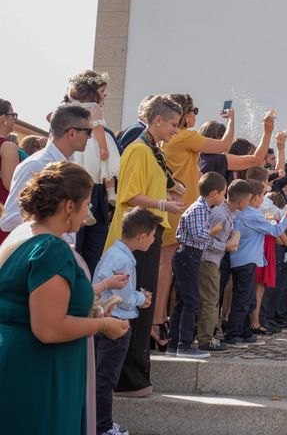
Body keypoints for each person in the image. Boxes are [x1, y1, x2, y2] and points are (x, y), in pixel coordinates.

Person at [0, 161, 129, 434]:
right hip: (41, 369)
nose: (87, 215)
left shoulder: (21, 235)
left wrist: (87, 311)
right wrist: (103, 326)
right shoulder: (52, 248)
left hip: (21, 361)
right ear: (69, 206)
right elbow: (48, 327)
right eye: (86, 206)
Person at [104, 94, 185, 397]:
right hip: (135, 239)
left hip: (148, 236)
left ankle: (136, 376)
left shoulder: (152, 151)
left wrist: (169, 198)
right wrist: (165, 202)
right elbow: (129, 195)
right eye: (173, 124)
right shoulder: (139, 150)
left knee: (143, 305)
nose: (175, 130)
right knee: (133, 305)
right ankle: (127, 379)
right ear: (158, 120)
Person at [153, 94, 236, 349]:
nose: (195, 117)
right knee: (170, 269)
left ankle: (165, 323)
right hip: (181, 208)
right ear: (185, 115)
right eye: (194, 111)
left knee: (174, 271)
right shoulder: (186, 135)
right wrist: (232, 120)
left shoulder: (171, 141)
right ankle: (159, 322)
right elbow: (224, 145)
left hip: (175, 205)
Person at [93, 208, 161, 435]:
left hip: (104, 320)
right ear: (142, 236)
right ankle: (102, 427)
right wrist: (142, 298)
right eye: (153, 236)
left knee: (101, 377)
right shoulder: (124, 260)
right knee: (106, 379)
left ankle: (98, 423)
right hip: (116, 325)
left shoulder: (114, 252)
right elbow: (124, 298)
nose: (153, 241)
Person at [226, 179, 287, 347]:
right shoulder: (251, 214)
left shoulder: (243, 213)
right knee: (243, 300)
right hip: (246, 261)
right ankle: (233, 334)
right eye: (261, 197)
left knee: (247, 299)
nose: (263, 201)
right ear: (254, 198)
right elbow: (275, 230)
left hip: (244, 260)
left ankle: (244, 332)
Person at [0, 104, 92, 233]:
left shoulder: (71, 164)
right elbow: (8, 220)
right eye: (88, 131)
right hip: (42, 250)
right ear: (72, 133)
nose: (90, 137)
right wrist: (54, 219)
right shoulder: (36, 165)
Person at [166, 172, 228, 358]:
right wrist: (214, 233)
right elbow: (198, 235)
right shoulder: (199, 209)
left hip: (191, 255)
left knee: (185, 300)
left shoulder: (205, 209)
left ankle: (174, 343)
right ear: (215, 193)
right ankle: (183, 345)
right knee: (191, 300)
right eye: (223, 193)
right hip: (188, 255)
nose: (224, 198)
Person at [196, 179, 252, 352]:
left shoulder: (230, 212)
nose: (249, 204)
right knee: (210, 300)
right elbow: (205, 239)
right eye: (249, 201)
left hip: (215, 260)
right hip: (208, 260)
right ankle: (205, 339)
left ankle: (208, 334)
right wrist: (226, 245)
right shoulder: (220, 214)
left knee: (212, 299)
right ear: (242, 201)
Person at [64, 70, 120, 204]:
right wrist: (103, 148)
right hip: (95, 143)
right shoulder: (94, 107)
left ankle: (86, 203)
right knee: (106, 167)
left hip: (80, 144)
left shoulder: (71, 106)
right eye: (101, 91)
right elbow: (98, 128)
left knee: (85, 174)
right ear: (91, 91)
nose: (104, 95)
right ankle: (111, 192)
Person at [0, 99, 20, 243]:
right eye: (13, 115)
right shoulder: (7, 146)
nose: (15, 119)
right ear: (3, 118)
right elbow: (11, 184)